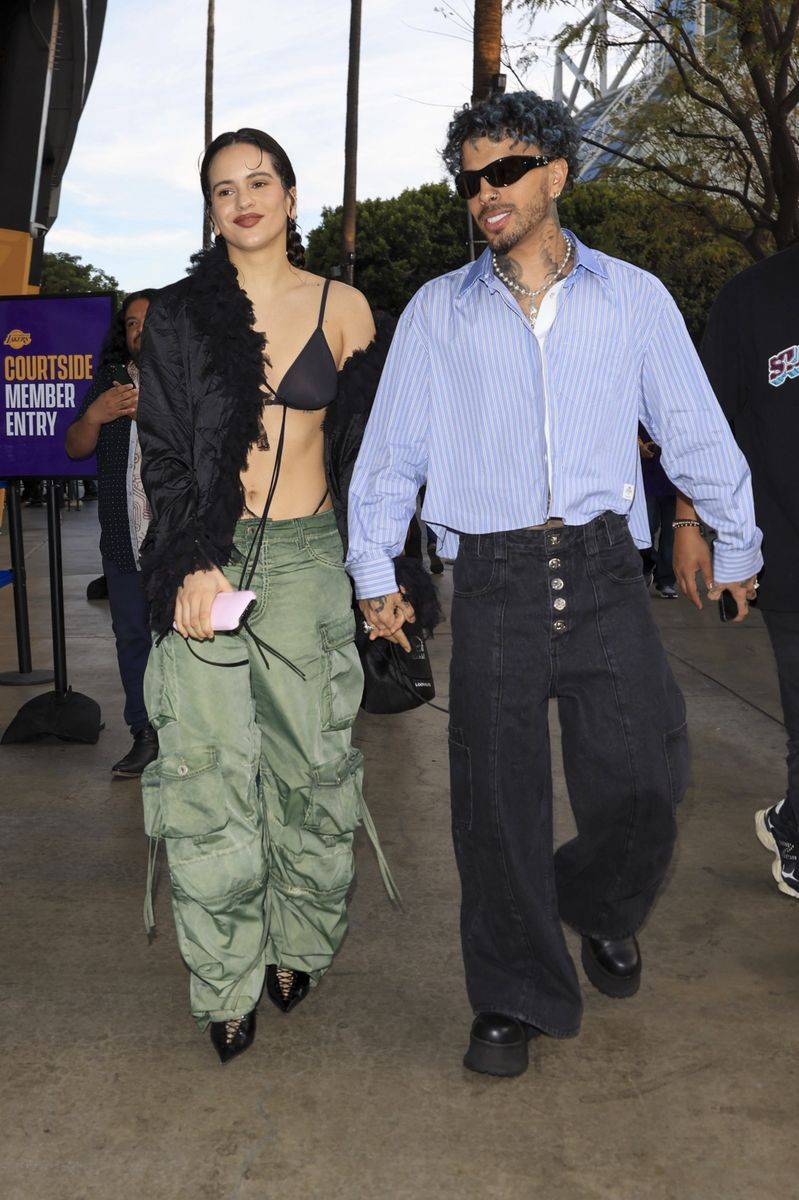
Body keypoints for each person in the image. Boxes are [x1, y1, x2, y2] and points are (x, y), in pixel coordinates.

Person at [347, 90, 762, 1078]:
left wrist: (736, 541)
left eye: (504, 171)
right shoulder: (437, 312)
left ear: (556, 174)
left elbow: (691, 425)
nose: (483, 192)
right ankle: (513, 994)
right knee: (495, 805)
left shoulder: (634, 298)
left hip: (604, 566)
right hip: (492, 578)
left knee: (650, 779)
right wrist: (374, 572)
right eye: (469, 179)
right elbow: (390, 455)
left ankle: (596, 901)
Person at [136, 128, 381, 1065]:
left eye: (259, 181)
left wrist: (382, 579)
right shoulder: (177, 318)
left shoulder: (344, 307)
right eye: (222, 188)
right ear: (209, 209)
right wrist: (188, 561)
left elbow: (372, 457)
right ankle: (225, 979)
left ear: (290, 195)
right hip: (207, 559)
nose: (242, 200)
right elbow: (164, 456)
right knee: (205, 780)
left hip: (309, 561)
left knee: (310, 770)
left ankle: (299, 942)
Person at [673, 241, 799, 900]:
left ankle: (791, 821)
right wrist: (689, 525)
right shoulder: (750, 299)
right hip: (787, 547)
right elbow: (703, 425)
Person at [66, 291, 159, 777]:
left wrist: (156, 414)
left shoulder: (190, 377)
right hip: (123, 539)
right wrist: (94, 416)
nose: (139, 330)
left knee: (189, 639)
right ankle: (145, 733)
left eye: (148, 320)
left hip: (181, 541)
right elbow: (75, 448)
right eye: (131, 323)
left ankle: (194, 735)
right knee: (132, 638)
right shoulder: (110, 381)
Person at [638, 425, 678, 599]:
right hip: (646, 477)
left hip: (674, 480)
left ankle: (666, 580)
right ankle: (647, 566)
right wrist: (639, 445)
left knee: (671, 534)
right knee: (645, 529)